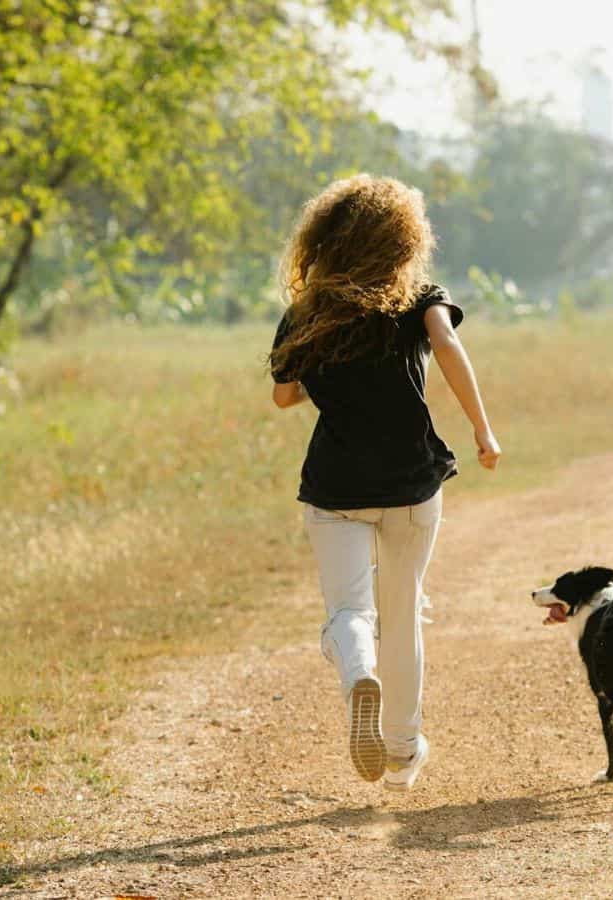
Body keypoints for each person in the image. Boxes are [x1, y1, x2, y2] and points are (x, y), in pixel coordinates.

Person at [269, 174, 500, 790]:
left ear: (324, 241)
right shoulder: (418, 300)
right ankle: (402, 747)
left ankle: (358, 675)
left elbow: (283, 395)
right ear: (405, 239)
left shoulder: (305, 313)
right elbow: (448, 345)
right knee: (403, 612)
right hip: (411, 484)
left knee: (349, 610)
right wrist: (483, 430)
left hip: (335, 487)